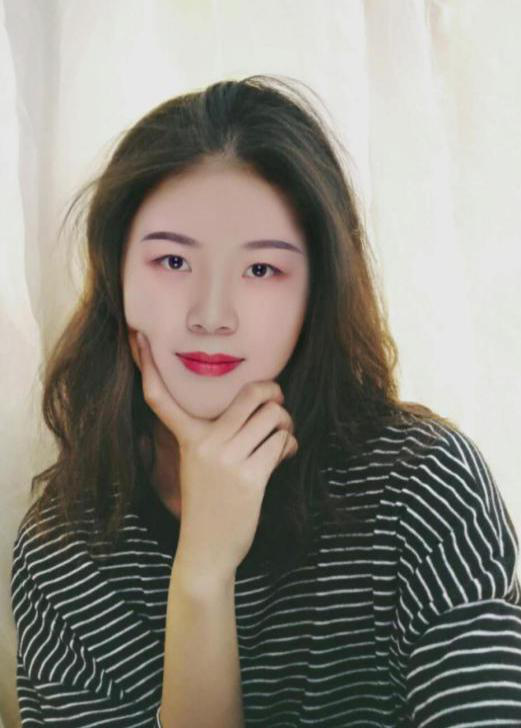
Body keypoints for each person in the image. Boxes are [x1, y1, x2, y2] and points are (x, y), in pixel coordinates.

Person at [10, 74, 521, 728]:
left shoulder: (422, 485)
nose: (211, 315)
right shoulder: (66, 549)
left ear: (315, 292)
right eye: (172, 262)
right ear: (117, 276)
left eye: (260, 269)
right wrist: (203, 572)